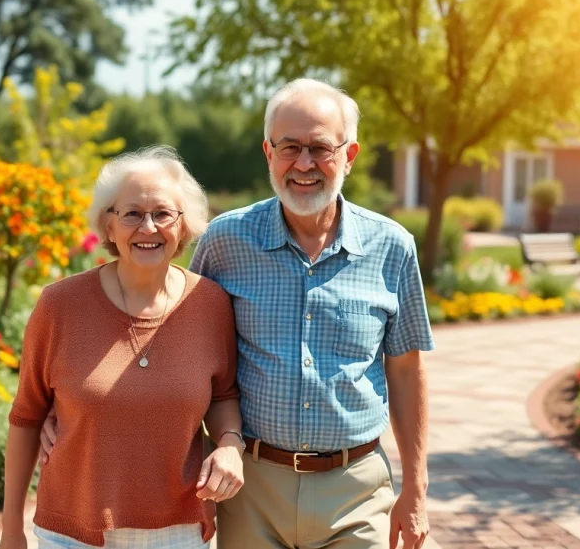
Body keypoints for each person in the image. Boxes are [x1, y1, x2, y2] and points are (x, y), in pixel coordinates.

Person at [40, 78, 435, 549]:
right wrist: (73, 408)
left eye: (320, 148)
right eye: (289, 147)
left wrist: (417, 489)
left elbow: (407, 371)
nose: (304, 163)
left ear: (348, 155)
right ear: (268, 152)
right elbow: (170, 338)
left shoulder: (393, 247)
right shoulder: (226, 242)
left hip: (356, 487)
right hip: (249, 488)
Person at [0, 145, 247, 549]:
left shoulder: (211, 304)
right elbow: (27, 417)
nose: (148, 227)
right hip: (72, 533)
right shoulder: (59, 306)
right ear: (108, 226)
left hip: (178, 533)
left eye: (163, 213)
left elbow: (223, 394)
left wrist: (231, 444)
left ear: (184, 226)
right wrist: (11, 531)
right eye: (132, 213)